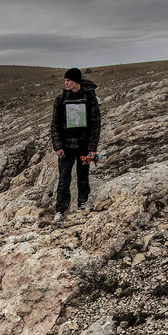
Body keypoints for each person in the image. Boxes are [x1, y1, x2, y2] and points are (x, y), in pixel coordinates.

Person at [50, 67, 101, 221]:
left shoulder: (90, 98)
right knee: (64, 178)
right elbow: (55, 125)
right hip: (65, 147)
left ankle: (82, 203)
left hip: (84, 146)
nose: (66, 83)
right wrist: (57, 146)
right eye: (65, 80)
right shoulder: (60, 100)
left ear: (76, 81)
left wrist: (92, 149)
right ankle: (60, 210)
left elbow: (95, 124)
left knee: (83, 175)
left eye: (69, 80)